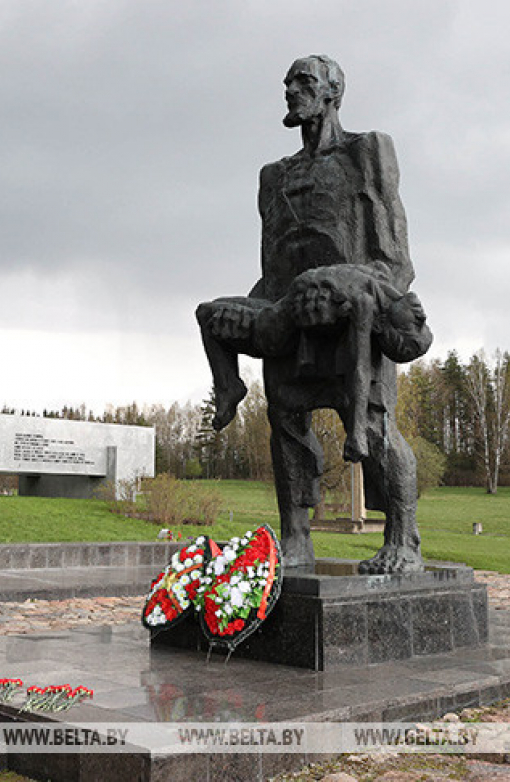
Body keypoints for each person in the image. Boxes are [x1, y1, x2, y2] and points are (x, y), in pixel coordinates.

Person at [195, 55, 432, 573]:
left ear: (332, 93)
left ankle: (403, 541)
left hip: (350, 314)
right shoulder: (273, 176)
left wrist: (358, 292)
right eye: (287, 82)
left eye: (302, 81)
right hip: (288, 313)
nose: (290, 89)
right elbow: (272, 262)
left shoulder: (367, 152)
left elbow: (394, 255)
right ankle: (296, 538)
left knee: (374, 426)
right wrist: (259, 316)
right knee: (284, 421)